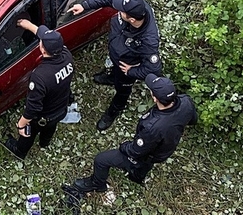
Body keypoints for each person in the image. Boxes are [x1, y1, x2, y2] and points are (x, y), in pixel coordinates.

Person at [67, 74, 197, 194]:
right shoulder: (186, 102)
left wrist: (124, 146)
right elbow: (192, 120)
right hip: (165, 148)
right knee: (145, 164)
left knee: (101, 160)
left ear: (154, 97)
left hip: (149, 153)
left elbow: (136, 151)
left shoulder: (152, 126)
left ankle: (97, 184)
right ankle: (138, 174)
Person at [67, 0, 161, 131]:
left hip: (126, 66)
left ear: (133, 20)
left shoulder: (149, 41)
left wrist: (132, 71)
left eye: (122, 12)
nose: (119, 11)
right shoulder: (134, 5)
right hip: (116, 54)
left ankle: (113, 112)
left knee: (122, 91)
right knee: (115, 72)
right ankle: (111, 78)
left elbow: (154, 68)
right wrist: (84, 5)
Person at [3, 20, 74, 160]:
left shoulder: (40, 76)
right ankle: (44, 142)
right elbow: (45, 35)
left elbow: (33, 107)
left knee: (29, 132)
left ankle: (19, 152)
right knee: (50, 128)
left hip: (42, 116)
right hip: (60, 109)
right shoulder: (66, 55)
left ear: (42, 49)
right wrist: (28, 24)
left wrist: (21, 124)